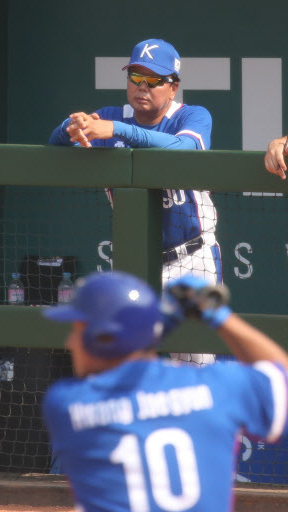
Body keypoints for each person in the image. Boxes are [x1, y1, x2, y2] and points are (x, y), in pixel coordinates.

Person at [42, 270, 288, 512]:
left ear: (104, 339)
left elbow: (122, 366)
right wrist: (217, 314)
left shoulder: (66, 404)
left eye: (77, 330)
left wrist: (161, 323)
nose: (69, 342)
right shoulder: (218, 387)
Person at [49, 38, 221, 365]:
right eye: (135, 77)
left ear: (173, 87)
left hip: (192, 259)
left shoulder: (193, 116)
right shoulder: (111, 117)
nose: (142, 86)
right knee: (124, 365)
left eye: (154, 80)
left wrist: (114, 129)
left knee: (197, 369)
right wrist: (71, 126)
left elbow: (183, 151)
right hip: (134, 263)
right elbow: (56, 146)